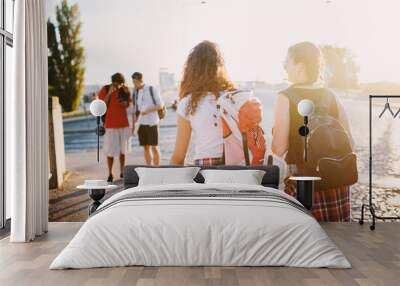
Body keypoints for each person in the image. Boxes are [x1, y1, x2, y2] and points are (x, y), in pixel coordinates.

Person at [271, 42, 355, 221]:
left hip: (303, 180)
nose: (284, 67)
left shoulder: (285, 96)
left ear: (300, 66)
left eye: (287, 62)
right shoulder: (330, 96)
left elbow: (278, 149)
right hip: (336, 178)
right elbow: (350, 142)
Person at [170, 40, 266, 166]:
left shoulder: (187, 103)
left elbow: (178, 156)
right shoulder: (236, 98)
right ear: (220, 67)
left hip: (205, 168)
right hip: (238, 167)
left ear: (191, 69)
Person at [98, 73, 131, 182]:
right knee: (110, 151)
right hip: (110, 125)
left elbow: (127, 105)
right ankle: (110, 173)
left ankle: (122, 172)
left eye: (121, 83)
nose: (119, 86)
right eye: (117, 83)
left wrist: (125, 100)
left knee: (123, 151)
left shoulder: (125, 90)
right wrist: (109, 93)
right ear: (113, 82)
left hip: (123, 124)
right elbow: (102, 105)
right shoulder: (105, 89)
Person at [132, 72, 163, 165]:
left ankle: (157, 169)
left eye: (135, 82)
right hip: (141, 123)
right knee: (145, 147)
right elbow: (135, 109)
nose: (134, 84)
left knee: (154, 147)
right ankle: (149, 168)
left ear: (140, 80)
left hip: (152, 122)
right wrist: (134, 124)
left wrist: (148, 110)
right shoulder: (135, 92)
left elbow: (160, 105)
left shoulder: (151, 89)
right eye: (133, 82)